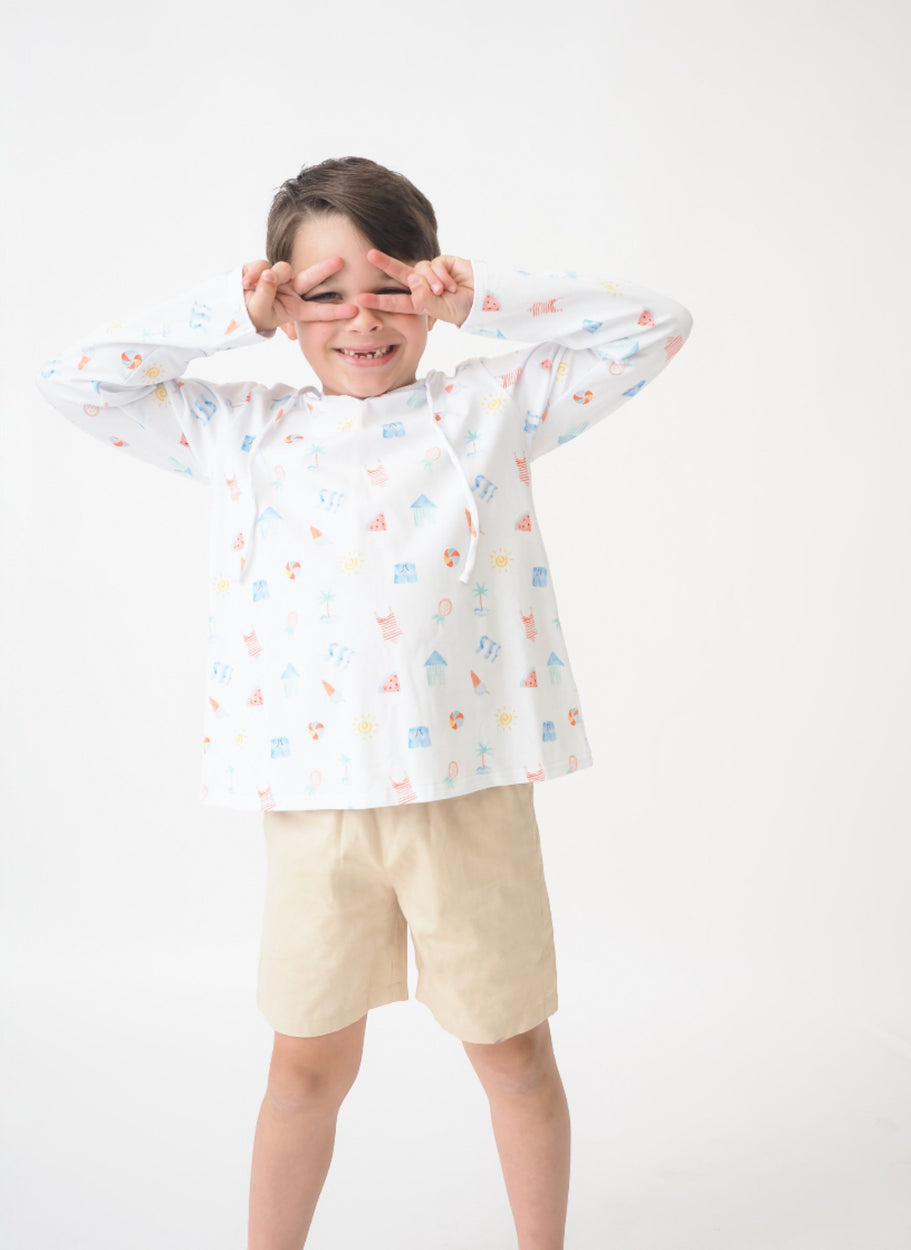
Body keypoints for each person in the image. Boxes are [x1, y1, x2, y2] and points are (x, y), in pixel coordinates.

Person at [37, 156, 693, 1250]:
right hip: (313, 807)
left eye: (387, 285)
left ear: (427, 285)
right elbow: (75, 378)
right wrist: (224, 311)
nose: (360, 318)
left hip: (466, 795)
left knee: (514, 1056)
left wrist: (481, 297)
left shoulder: (490, 408)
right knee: (302, 1065)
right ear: (284, 304)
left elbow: (654, 325)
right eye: (324, 291)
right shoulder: (242, 429)